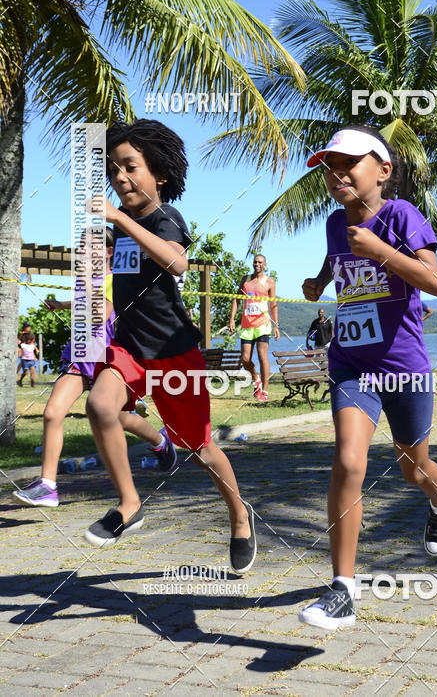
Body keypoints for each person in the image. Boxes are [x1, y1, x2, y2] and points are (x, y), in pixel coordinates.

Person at [298, 126, 437, 630]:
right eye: (329, 166)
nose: (337, 173)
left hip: (405, 367)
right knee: (348, 461)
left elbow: (435, 281)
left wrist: (380, 251)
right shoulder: (332, 224)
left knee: (414, 469)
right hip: (351, 364)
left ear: (382, 171)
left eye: (349, 163)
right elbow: (337, 253)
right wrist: (319, 282)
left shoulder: (401, 215)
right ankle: (342, 590)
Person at [82, 120, 256, 574]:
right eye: (113, 169)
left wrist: (120, 219)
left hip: (175, 351)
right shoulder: (119, 231)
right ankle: (130, 503)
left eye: (130, 167)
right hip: (131, 348)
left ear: (158, 174)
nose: (119, 177)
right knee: (101, 405)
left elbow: (177, 261)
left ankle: (240, 515)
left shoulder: (166, 218)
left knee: (201, 449)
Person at [12, 229, 175, 508]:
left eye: (90, 247)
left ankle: (161, 441)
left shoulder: (115, 281)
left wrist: (87, 284)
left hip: (108, 357)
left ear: (108, 253)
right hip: (79, 354)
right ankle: (48, 486)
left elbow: (101, 313)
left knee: (118, 419)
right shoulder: (87, 280)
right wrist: (62, 304)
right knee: (52, 412)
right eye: (82, 246)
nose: (83, 252)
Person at [228, 255, 279, 402]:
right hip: (247, 324)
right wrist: (232, 318)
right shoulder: (245, 279)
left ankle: (265, 391)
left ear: (265, 265)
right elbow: (236, 299)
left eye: (260, 262)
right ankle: (256, 379)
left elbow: (273, 305)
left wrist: (276, 325)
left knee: (263, 356)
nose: (257, 264)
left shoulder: (269, 281)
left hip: (263, 324)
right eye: (255, 262)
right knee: (245, 359)